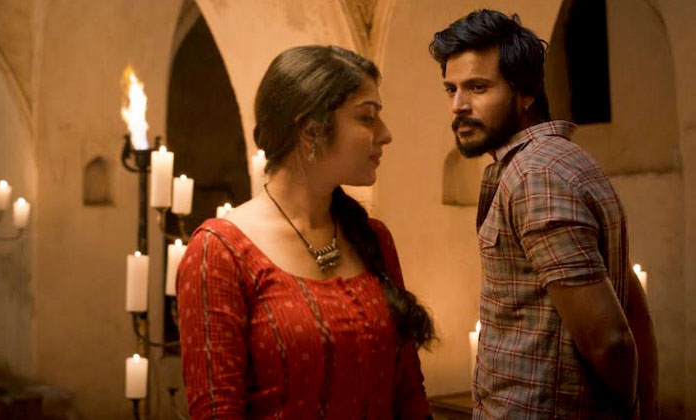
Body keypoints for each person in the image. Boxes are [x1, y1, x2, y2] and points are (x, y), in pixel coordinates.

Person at [176, 45, 435, 419]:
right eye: (367, 118)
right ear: (312, 131)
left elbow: (409, 393)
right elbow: (217, 411)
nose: (385, 134)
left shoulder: (373, 238)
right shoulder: (220, 251)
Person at [429, 10, 658, 419]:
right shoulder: (552, 161)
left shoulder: (536, 176)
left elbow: (611, 341)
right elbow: (632, 304)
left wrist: (630, 411)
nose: (458, 106)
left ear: (526, 93)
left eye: (478, 87)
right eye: (451, 89)